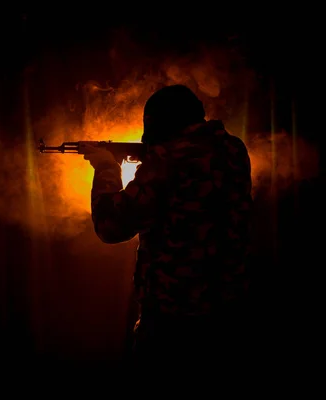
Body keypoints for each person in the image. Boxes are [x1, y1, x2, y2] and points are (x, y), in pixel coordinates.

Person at [82, 84, 254, 366]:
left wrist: (106, 168)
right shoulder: (232, 148)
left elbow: (110, 226)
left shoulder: (169, 159)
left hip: (174, 318)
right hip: (229, 309)